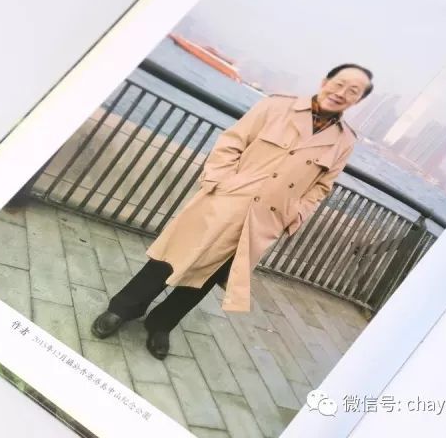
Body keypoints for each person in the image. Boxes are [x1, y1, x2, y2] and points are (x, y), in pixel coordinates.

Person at [92, 64, 373, 359]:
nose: (341, 93)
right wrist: (219, 182)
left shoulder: (344, 140)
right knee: (170, 258)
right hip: (226, 200)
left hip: (264, 219)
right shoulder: (277, 106)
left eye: (353, 91)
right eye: (339, 83)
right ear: (325, 81)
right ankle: (123, 309)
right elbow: (232, 141)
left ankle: (161, 324)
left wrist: (293, 216)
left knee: (208, 275)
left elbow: (322, 186)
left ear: (358, 100)